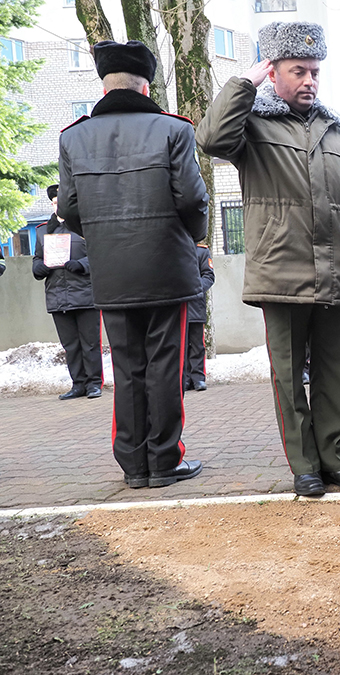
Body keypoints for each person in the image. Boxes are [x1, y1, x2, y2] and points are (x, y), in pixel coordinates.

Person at [196, 21, 340, 497]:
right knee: (289, 376)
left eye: (315, 71)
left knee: (334, 373)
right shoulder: (252, 123)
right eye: (298, 70)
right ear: (273, 71)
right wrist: (243, 84)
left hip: (336, 272)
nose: (310, 80)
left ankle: (336, 460)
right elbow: (210, 139)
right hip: (282, 270)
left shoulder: (338, 131)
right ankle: (305, 467)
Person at [57, 40, 209, 488]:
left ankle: (134, 466)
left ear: (105, 86)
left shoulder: (73, 136)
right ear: (146, 87)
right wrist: (189, 236)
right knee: (165, 366)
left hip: (111, 273)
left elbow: (68, 208)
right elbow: (194, 199)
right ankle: (164, 461)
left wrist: (103, 240)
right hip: (167, 268)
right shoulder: (173, 130)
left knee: (126, 369)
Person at [32, 184, 104, 400]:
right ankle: (78, 384)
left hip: (84, 294)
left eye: (61, 201)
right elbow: (37, 260)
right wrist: (40, 267)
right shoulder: (43, 230)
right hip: (58, 296)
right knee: (70, 345)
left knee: (90, 343)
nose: (57, 205)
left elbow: (99, 255)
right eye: (54, 202)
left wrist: (81, 265)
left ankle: (94, 383)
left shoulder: (84, 227)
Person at [184, 242, 215, 392]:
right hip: (178, 306)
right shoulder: (174, 247)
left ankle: (198, 378)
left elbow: (208, 276)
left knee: (197, 345)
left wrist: (194, 288)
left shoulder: (201, 251)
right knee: (180, 346)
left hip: (195, 306)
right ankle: (184, 379)